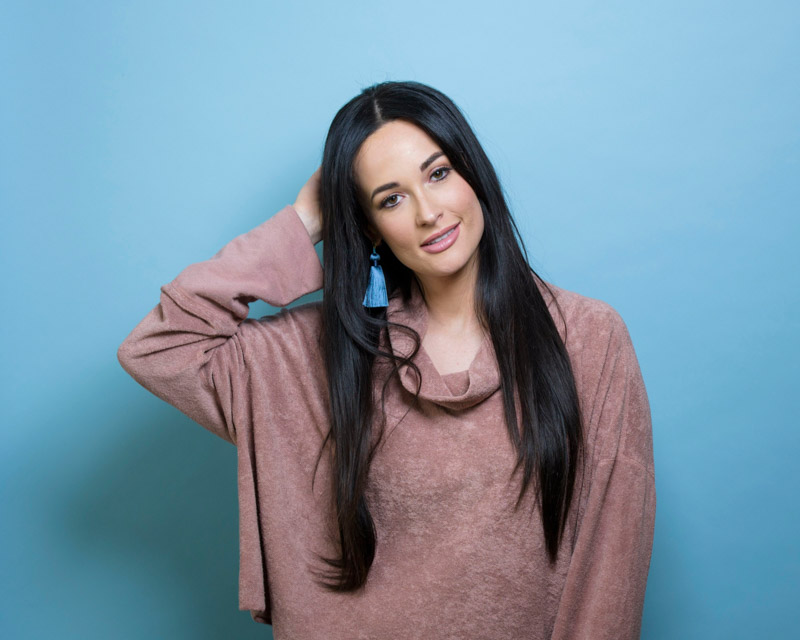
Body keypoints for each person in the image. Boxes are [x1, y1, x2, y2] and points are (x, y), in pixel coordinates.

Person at [117, 80, 655, 639]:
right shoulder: (325, 350)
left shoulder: (588, 336)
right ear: (369, 227)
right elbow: (159, 346)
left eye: (439, 173)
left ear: (473, 173)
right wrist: (304, 221)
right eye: (391, 198)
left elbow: (610, 560)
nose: (428, 212)